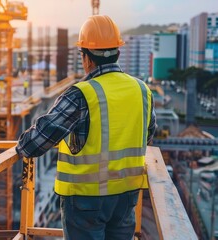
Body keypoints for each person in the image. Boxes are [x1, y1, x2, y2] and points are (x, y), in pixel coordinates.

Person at [16, 15, 157, 240]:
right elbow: (148, 134)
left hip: (86, 199)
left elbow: (34, 144)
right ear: (118, 53)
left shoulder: (81, 94)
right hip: (127, 195)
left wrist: (20, 145)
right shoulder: (141, 90)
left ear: (86, 58)